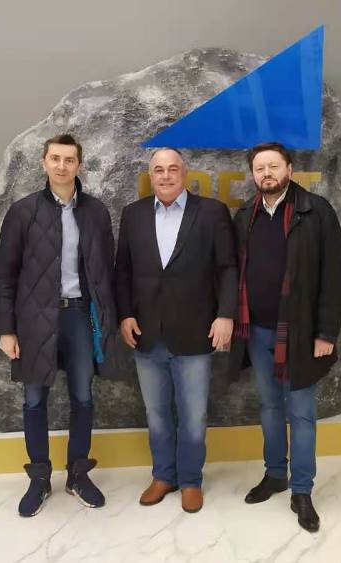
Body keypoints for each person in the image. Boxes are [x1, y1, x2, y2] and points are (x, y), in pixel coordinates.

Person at [227, 142, 341, 534]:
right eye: (260, 168)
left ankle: (302, 490)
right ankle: (275, 474)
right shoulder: (245, 215)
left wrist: (326, 332)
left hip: (301, 333)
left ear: (290, 169)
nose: (267, 174)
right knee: (268, 407)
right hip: (258, 332)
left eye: (273, 166)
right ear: (253, 174)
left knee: (302, 414)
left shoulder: (316, 212)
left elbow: (335, 275)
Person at [0, 134, 117, 517]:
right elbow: (5, 275)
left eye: (69, 160)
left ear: (79, 165)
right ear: (44, 163)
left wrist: (108, 320)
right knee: (34, 399)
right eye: (55, 158)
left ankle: (78, 474)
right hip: (34, 320)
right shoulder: (22, 211)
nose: (62, 166)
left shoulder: (96, 212)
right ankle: (39, 478)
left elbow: (106, 272)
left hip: (79, 316)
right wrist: (6, 330)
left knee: (83, 396)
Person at [114, 148, 237, 514]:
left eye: (172, 169)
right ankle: (163, 476)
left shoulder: (212, 212)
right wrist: (125, 314)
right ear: (150, 176)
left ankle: (191, 480)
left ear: (184, 173)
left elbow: (227, 268)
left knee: (194, 416)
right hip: (146, 333)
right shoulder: (133, 215)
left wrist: (226, 315)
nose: (165, 176)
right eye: (158, 170)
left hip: (196, 332)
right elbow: (123, 271)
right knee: (156, 414)